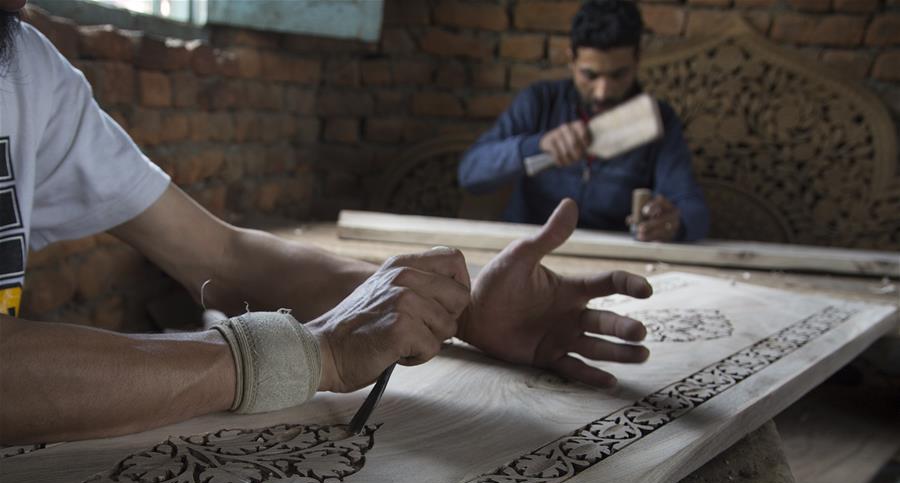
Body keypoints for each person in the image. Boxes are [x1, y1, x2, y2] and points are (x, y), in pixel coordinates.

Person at [0, 2, 654, 446]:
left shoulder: (24, 66)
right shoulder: (539, 104)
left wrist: (465, 310)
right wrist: (311, 353)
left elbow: (224, 258)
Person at [458, 0, 710, 243]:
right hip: (526, 249)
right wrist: (536, 145)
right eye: (590, 75)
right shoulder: (540, 101)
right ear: (572, 59)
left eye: (618, 74)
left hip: (609, 259)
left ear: (637, 60)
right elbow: (471, 174)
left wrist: (674, 223)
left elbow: (694, 209)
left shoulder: (659, 120)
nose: (603, 91)